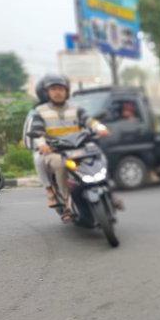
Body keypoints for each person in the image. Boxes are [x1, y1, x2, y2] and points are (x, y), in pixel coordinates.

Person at [27, 73, 121, 221]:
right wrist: (42, 144)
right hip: (56, 150)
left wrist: (99, 127)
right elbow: (37, 133)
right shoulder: (41, 111)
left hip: (78, 147)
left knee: (99, 155)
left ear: (66, 91)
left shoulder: (75, 108)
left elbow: (89, 121)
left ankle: (109, 192)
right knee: (60, 164)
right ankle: (66, 203)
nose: (58, 92)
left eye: (61, 89)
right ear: (47, 92)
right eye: (53, 89)